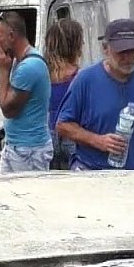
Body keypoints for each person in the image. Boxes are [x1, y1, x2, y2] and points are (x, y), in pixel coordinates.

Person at [57, 19, 134, 171]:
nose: (128, 58)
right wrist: (98, 141)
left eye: (133, 51)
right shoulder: (85, 80)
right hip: (92, 174)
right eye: (122, 52)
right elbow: (63, 125)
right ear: (105, 49)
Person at [0, 12, 52, 173]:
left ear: (12, 35)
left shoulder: (29, 67)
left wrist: (3, 70)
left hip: (29, 150)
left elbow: (8, 109)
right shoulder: (18, 62)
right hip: (16, 145)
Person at [44, 14, 84, 170]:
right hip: (72, 135)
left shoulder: (43, 73)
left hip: (46, 135)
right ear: (76, 44)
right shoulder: (80, 76)